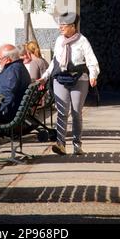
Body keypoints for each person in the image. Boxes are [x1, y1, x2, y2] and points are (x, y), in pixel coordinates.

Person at [38, 12, 99, 156]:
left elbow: (91, 60)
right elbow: (55, 62)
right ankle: (61, 145)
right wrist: (45, 77)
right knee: (62, 112)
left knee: (76, 113)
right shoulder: (59, 40)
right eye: (60, 24)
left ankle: (77, 145)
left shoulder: (82, 40)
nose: (60, 27)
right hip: (60, 79)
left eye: (63, 25)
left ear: (72, 26)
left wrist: (93, 75)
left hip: (79, 79)